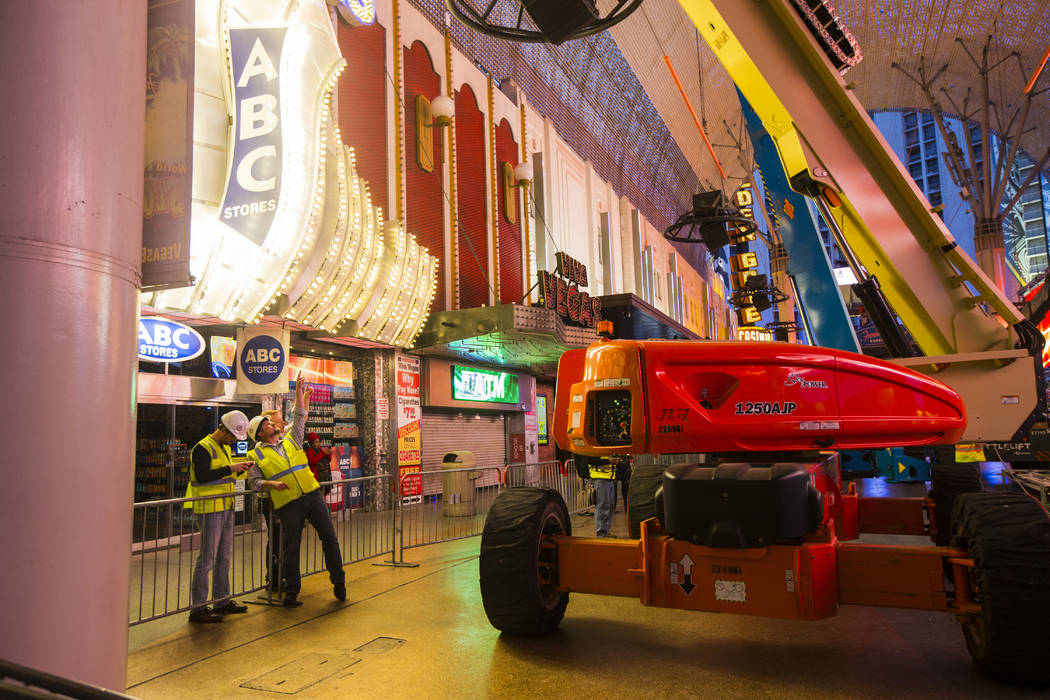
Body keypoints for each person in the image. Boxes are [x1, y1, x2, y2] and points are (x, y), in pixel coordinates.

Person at [246, 373, 346, 608]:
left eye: (271, 422)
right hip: (288, 503)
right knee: (291, 547)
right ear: (260, 434)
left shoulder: (291, 440)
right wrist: (270, 484)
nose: (273, 424)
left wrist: (299, 391)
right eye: (268, 424)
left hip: (312, 495)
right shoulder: (255, 455)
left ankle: (339, 581)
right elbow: (254, 483)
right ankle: (291, 591)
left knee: (329, 538)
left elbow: (300, 415)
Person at [186, 410, 253, 623]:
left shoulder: (223, 447)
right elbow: (204, 475)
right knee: (207, 559)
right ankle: (198, 608)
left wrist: (239, 469)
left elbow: (224, 474)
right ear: (222, 429)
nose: (233, 440)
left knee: (224, 556)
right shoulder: (202, 448)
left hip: (225, 506)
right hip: (209, 508)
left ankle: (222, 601)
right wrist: (229, 468)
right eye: (232, 435)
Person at [577, 452, 617, 537]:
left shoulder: (607, 447)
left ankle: (606, 532)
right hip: (600, 478)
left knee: (610, 506)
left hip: (609, 477)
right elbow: (590, 460)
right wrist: (608, 461)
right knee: (602, 507)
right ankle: (602, 534)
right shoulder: (594, 448)